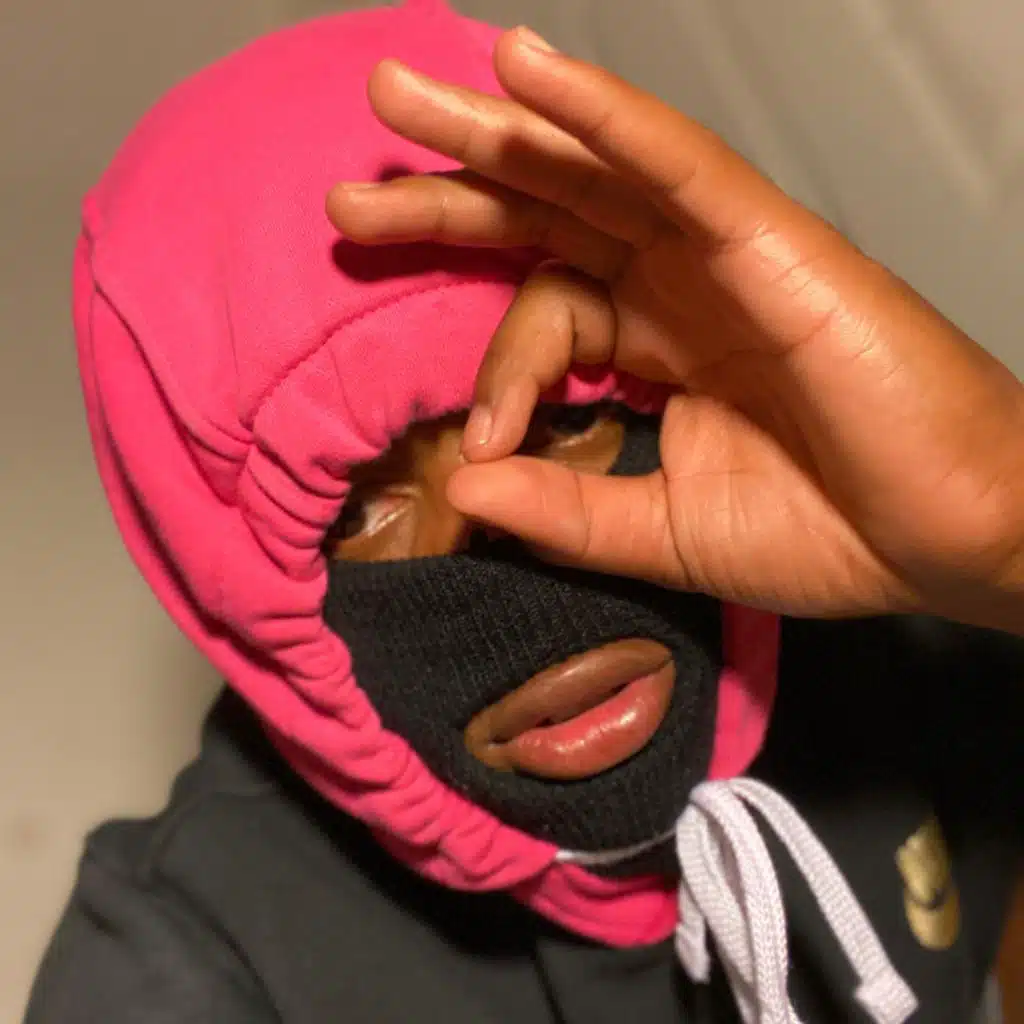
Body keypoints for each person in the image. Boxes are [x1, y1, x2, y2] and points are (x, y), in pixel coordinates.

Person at [25, 3, 1022, 1022]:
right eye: (355, 514)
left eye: (562, 420)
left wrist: (1008, 528)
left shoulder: (904, 656)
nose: (501, 548)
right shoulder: (199, 963)